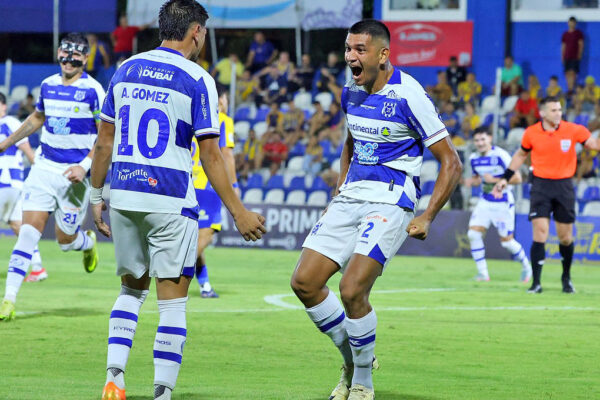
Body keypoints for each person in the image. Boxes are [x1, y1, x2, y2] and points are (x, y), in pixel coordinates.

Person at [90, 2, 266, 399]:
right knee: (171, 304)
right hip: (169, 200)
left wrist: (96, 196)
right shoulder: (198, 78)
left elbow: (104, 142)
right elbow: (211, 155)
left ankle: (114, 379)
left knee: (130, 291)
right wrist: (238, 212)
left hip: (125, 195)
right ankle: (163, 393)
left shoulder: (126, 68)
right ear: (196, 32)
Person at [290, 19, 462, 400]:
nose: (350, 56)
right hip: (351, 195)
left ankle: (363, 382)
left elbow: (452, 162)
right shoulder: (351, 91)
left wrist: (427, 215)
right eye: (348, 48)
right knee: (304, 282)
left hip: (391, 198)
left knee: (352, 289)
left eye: (359, 50)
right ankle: (352, 360)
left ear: (383, 55)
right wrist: (340, 187)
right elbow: (351, 142)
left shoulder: (409, 95)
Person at [0, 33, 102, 322]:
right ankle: (8, 300)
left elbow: (107, 134)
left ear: (85, 58)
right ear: (58, 53)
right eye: (65, 53)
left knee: (65, 241)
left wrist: (84, 166)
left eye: (76, 55)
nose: (69, 60)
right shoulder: (48, 85)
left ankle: (87, 244)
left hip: (74, 177)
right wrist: (6, 144)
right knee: (27, 234)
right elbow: (37, 118)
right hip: (44, 169)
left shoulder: (94, 91)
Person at [493, 96, 600, 294]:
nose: (558, 113)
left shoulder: (573, 129)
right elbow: (521, 154)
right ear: (542, 113)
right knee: (540, 232)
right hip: (540, 186)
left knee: (565, 237)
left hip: (564, 187)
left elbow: (594, 144)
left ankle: (566, 278)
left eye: (559, 110)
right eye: (554, 110)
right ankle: (536, 283)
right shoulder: (531, 133)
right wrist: (505, 178)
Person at [464, 127, 532, 282]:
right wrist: (472, 181)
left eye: (483, 139)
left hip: (503, 202)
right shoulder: (473, 158)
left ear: (490, 139)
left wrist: (494, 180)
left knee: (507, 242)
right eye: (477, 140)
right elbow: (479, 179)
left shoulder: (500, 155)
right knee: (473, 234)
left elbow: (518, 178)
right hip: (485, 201)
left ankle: (527, 267)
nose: (480, 143)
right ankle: (483, 274)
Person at [190, 89, 238, 298]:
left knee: (193, 240)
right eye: (225, 98)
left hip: (187, 184)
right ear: (220, 100)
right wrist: (233, 186)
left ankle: (205, 286)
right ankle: (173, 271)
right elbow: (227, 155)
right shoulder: (223, 120)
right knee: (205, 236)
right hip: (209, 185)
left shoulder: (194, 118)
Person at [0, 93, 45, 282]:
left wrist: (40, 173)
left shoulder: (10, 122)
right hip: (12, 185)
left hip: (6, 183)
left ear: (4, 106)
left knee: (19, 225)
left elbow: (26, 149)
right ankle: (37, 268)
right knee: (18, 226)